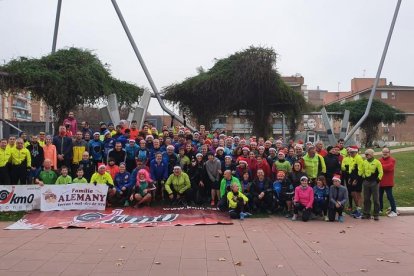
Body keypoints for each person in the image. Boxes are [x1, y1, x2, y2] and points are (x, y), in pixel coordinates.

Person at [362, 149, 383, 221]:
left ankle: (376, 214)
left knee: (376, 199)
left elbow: (381, 172)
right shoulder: (364, 162)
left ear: (371, 154)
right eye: (365, 154)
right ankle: (366, 213)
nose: (366, 156)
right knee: (366, 199)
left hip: (374, 182)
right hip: (366, 182)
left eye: (367, 154)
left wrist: (378, 179)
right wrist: (363, 177)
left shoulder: (377, 162)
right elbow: (362, 171)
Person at [379, 147, 398, 217]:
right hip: (380, 182)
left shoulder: (392, 160)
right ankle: (380, 210)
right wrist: (381, 166)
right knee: (379, 197)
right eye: (383, 152)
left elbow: (389, 168)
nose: (384, 153)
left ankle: (394, 211)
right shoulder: (379, 160)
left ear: (389, 153)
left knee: (390, 197)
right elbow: (377, 168)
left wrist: (380, 166)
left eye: (386, 152)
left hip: (388, 182)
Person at [348, 146, 364, 218]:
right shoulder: (352, 158)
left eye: (352, 152)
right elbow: (351, 169)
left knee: (358, 194)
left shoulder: (359, 158)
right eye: (350, 152)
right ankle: (357, 209)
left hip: (358, 178)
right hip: (352, 178)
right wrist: (350, 178)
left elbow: (360, 170)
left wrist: (356, 179)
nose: (350, 153)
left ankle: (359, 211)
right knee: (353, 193)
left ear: (356, 152)